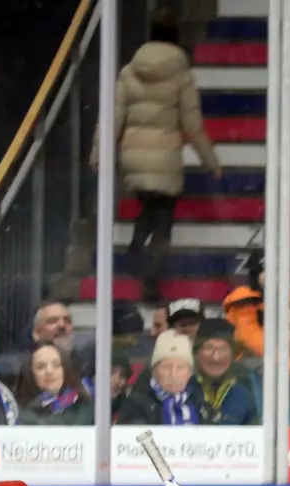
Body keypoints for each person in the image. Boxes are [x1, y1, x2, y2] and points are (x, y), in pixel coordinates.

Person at [99, 9, 221, 304]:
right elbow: (192, 125)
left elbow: (112, 118)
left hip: (134, 158)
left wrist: (98, 154)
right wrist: (211, 162)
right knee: (163, 224)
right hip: (165, 158)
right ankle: (151, 282)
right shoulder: (181, 76)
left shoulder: (128, 72)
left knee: (148, 206)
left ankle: (136, 246)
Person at [114, 331, 199, 425]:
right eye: (166, 367)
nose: (173, 374)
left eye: (180, 367)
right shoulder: (135, 406)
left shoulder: (200, 404)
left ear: (190, 373)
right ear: (154, 371)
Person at [191, 319, 257, 425]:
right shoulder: (181, 385)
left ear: (232, 355)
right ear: (196, 351)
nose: (216, 357)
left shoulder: (246, 387)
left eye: (223, 349)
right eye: (209, 348)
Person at [14, 341, 95, 426]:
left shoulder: (87, 409)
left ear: (65, 370)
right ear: (30, 374)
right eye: (41, 367)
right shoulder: (17, 413)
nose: (49, 371)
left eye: (56, 365)